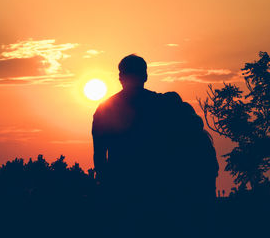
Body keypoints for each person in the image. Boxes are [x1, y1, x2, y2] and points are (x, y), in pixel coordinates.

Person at [92, 54, 219, 237]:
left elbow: (99, 158)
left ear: (120, 77)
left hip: (124, 193)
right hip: (158, 194)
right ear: (145, 76)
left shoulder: (104, 110)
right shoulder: (162, 106)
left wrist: (106, 191)